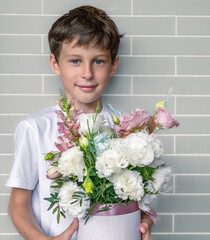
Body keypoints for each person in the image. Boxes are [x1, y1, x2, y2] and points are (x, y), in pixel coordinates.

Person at [6, 5, 154, 240]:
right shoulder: (35, 128)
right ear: (55, 64)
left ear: (114, 65)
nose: (87, 73)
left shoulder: (128, 127)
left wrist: (146, 219)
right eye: (75, 61)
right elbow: (18, 205)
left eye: (98, 61)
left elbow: (139, 198)